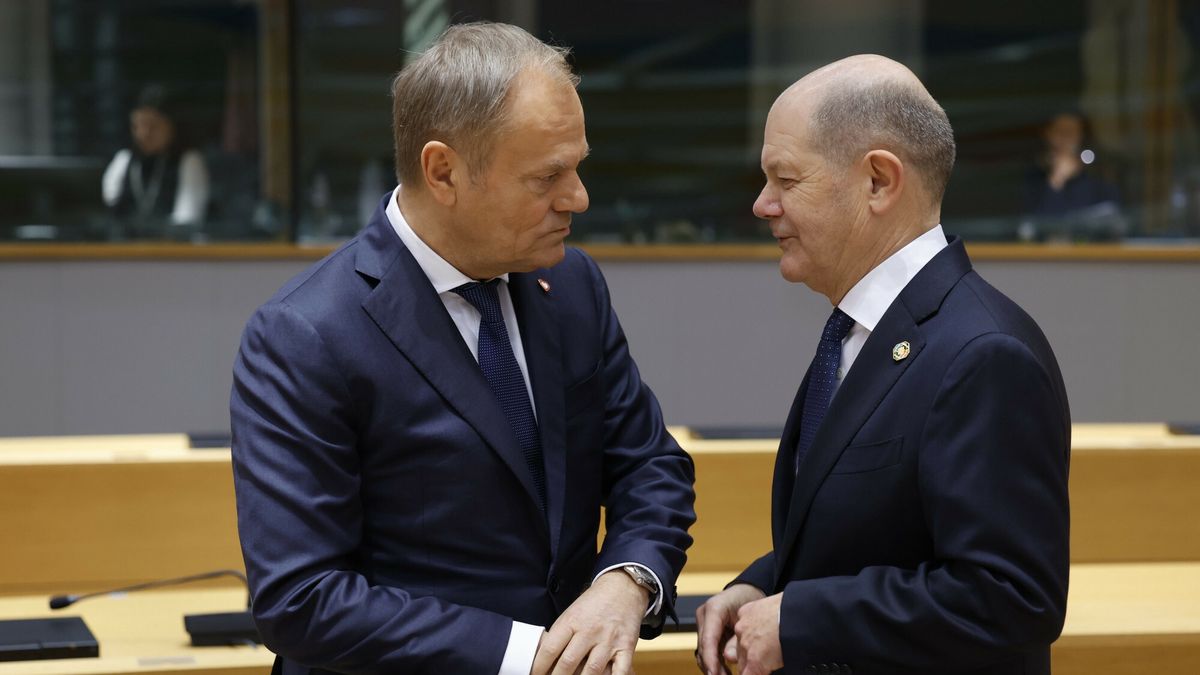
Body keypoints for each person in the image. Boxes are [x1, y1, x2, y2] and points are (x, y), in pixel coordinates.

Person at [230, 22, 695, 675]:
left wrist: (626, 581)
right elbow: (302, 598)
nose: (579, 198)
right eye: (547, 176)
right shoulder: (306, 334)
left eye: (579, 166)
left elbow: (648, 464)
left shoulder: (572, 284)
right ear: (442, 170)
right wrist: (524, 653)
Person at [695, 55, 1070, 675]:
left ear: (878, 182)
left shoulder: (984, 354)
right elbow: (868, 531)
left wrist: (803, 618)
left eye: (786, 181)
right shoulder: (861, 329)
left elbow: (1011, 598)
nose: (763, 205)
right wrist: (761, 588)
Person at [101, 84, 209, 233]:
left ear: (172, 126)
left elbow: (186, 221)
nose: (144, 134)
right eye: (137, 126)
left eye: (153, 126)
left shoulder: (188, 161)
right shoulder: (124, 160)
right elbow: (110, 213)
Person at [1020, 110, 1123, 241]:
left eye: (1071, 133)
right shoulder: (1033, 177)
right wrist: (1056, 181)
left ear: (1081, 137)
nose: (1065, 140)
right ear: (1048, 134)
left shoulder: (1099, 179)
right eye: (1060, 132)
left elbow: (1111, 227)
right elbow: (1035, 229)